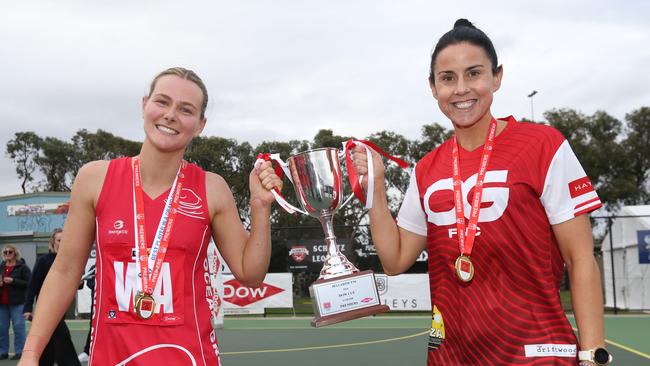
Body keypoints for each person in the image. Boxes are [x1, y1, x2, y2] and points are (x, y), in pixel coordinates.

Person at [353, 19, 610, 365]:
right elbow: (395, 259)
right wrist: (376, 192)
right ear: (432, 87)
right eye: (447, 78)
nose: (461, 89)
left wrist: (593, 356)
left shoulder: (543, 146)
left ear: (496, 77)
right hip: (451, 357)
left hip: (537, 354)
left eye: (473, 73)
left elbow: (581, 259)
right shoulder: (428, 168)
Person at [19, 67, 281, 366]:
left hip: (189, 356)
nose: (170, 115)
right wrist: (31, 353)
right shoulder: (95, 178)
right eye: (162, 101)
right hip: (111, 357)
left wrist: (260, 208)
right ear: (144, 104)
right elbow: (65, 271)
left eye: (185, 109)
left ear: (200, 124)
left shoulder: (211, 188)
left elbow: (250, 274)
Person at [23, 229, 81, 366]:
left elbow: (75, 285)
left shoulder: (70, 260)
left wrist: (79, 283)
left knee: (49, 342)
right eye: (59, 240)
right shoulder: (43, 260)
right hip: (46, 308)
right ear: (53, 242)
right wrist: (28, 308)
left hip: (62, 307)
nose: (62, 243)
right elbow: (32, 286)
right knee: (62, 338)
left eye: (65, 240)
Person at [0, 244, 30, 360]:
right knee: (1, 329)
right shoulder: (1, 266)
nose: (7, 254)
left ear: (15, 253)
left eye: (10, 252)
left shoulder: (22, 267)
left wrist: (13, 281)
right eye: (5, 252)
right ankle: (3, 352)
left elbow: (29, 283)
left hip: (17, 302)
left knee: (18, 327)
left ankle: (20, 351)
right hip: (2, 303)